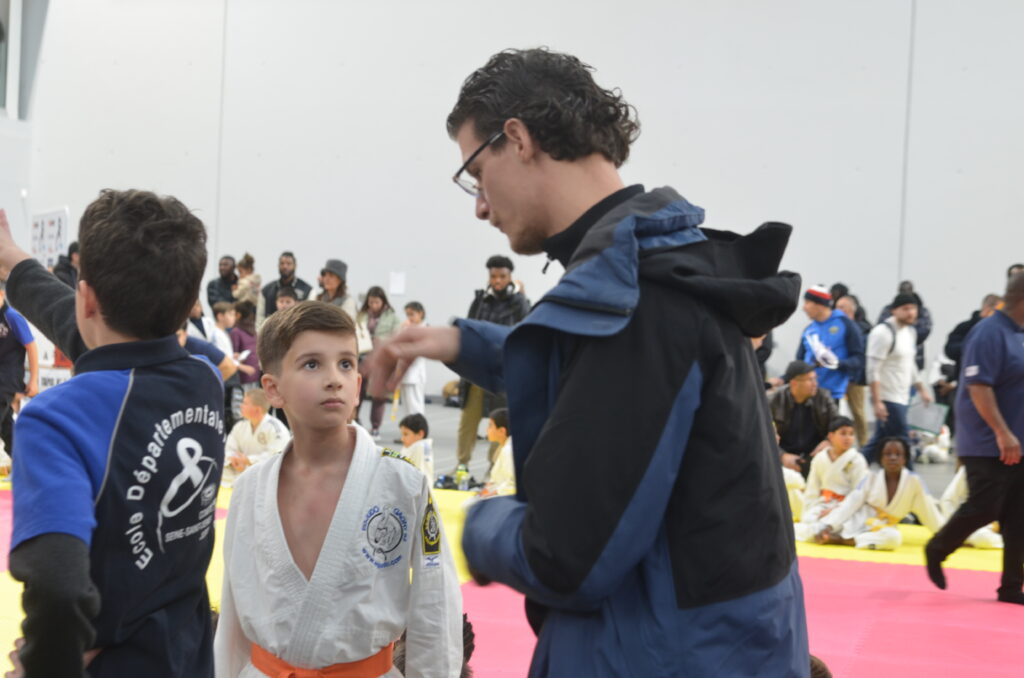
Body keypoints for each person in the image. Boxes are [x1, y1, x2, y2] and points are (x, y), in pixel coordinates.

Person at [367, 47, 807, 675]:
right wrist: (461, 343)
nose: (480, 205)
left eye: (475, 173)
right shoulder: (663, 267)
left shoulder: (638, 301)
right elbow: (592, 370)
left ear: (518, 139)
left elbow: (564, 557)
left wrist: (476, 524)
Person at [0, 191, 223, 676]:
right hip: (188, 657)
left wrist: (45, 667)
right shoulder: (205, 381)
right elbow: (101, 339)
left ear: (87, 297)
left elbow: (58, 588)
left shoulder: (56, 418)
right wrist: (14, 261)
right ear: (188, 303)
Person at [213, 301, 462, 676]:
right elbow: (234, 613)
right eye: (312, 364)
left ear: (358, 385)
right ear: (273, 389)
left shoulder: (402, 483)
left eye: (346, 364)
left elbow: (435, 607)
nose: (334, 378)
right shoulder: (250, 488)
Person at [925, 273, 1024, 604]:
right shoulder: (988, 332)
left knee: (1018, 515)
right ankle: (938, 547)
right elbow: (978, 387)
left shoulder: (1018, 334)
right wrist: (1002, 432)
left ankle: (1011, 587)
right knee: (986, 507)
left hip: (1017, 440)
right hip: (987, 442)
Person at [454, 255, 530, 470]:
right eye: (494, 276)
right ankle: (462, 465)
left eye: (502, 276)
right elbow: (467, 331)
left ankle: (495, 468)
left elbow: (525, 333)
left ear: (510, 277)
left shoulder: (519, 303)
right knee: (468, 421)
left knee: (500, 423)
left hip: (502, 373)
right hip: (476, 371)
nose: (497, 281)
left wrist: (522, 298)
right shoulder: (480, 301)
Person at [815, 437, 943, 549]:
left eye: (898, 454)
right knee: (813, 530)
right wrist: (829, 525)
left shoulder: (913, 482)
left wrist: (946, 534)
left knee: (894, 538)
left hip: (883, 529)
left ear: (905, 459)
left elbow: (929, 510)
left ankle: (842, 541)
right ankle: (837, 535)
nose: (893, 458)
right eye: (888, 454)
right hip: (858, 521)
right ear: (880, 459)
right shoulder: (871, 478)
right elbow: (851, 503)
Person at [862, 293, 932, 464]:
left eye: (913, 308)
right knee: (903, 441)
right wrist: (877, 401)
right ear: (894, 310)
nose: (911, 313)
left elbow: (910, 364)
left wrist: (922, 389)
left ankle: (851, 470)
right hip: (888, 397)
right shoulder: (882, 333)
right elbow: (873, 369)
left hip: (903, 395)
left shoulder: (910, 332)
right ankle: (912, 478)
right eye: (905, 309)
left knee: (879, 441)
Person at [793, 417, 868, 542]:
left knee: (849, 524)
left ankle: (832, 535)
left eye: (851, 434)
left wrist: (835, 510)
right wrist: (808, 511)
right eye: (843, 433)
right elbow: (812, 489)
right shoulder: (820, 458)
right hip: (823, 504)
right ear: (831, 436)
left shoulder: (857, 460)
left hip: (847, 509)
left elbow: (858, 494)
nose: (848, 438)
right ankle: (827, 534)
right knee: (809, 519)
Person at [770, 360, 839, 478]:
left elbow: (838, 424)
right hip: (783, 457)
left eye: (815, 379)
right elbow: (763, 435)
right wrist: (781, 455)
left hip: (815, 455)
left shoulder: (823, 397)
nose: (815, 384)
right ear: (794, 383)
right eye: (810, 380)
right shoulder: (774, 400)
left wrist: (828, 440)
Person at [796, 285, 864, 404]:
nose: (803, 308)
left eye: (807, 303)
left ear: (820, 304)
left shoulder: (846, 325)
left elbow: (859, 360)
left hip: (832, 395)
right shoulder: (809, 330)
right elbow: (799, 360)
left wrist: (837, 363)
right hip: (806, 395)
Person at [0, 281, 39, 455]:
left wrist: (33, 380)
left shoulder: (12, 317)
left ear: (1, 295)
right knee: (7, 427)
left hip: (8, 379)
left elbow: (31, 347)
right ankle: (24, 461)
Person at [221, 388, 290, 487]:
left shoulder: (276, 428)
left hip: (265, 475)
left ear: (257, 409)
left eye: (245, 403)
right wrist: (234, 460)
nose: (241, 406)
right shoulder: (240, 426)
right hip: (241, 471)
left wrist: (248, 460)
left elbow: (276, 457)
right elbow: (228, 448)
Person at [356, 286, 400, 439]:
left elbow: (397, 337)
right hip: (362, 356)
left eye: (376, 302)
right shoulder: (361, 315)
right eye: (370, 302)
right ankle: (355, 420)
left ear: (383, 302)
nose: (373, 305)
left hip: (381, 359)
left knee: (378, 394)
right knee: (357, 391)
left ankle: (375, 427)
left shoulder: (392, 317)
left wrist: (381, 341)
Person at [938, 462, 1003, 549]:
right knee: (982, 537)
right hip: (964, 524)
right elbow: (947, 500)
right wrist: (954, 528)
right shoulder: (975, 464)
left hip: (996, 527)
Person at [835, 294, 872, 447]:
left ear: (851, 310)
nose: (837, 310)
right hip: (837, 375)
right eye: (836, 307)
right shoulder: (835, 327)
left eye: (841, 307)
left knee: (858, 412)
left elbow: (861, 356)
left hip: (855, 378)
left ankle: (864, 445)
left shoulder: (862, 329)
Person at [876, 280, 932, 371]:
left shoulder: (921, 311)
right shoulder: (889, 309)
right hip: (892, 357)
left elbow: (924, 330)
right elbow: (882, 329)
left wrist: (904, 331)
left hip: (915, 355)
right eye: (903, 291)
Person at [230, 300, 260, 418]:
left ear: (238, 315)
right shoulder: (253, 329)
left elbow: (234, 353)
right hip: (255, 370)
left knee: (241, 403)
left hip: (243, 373)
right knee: (253, 400)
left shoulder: (236, 331)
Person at [261, 250, 312, 319]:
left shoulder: (307, 290)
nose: (285, 266)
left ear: (295, 266)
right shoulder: (267, 290)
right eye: (282, 263)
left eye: (288, 263)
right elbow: (260, 318)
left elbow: (310, 316)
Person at [400, 301, 428, 418]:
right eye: (407, 315)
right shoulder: (408, 329)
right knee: (407, 409)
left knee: (415, 407)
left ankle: (418, 427)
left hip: (415, 375)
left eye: (412, 314)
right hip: (405, 374)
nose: (409, 318)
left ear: (420, 313)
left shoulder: (424, 329)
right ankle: (410, 428)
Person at [480, 407, 515, 497]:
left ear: (501, 431)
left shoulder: (509, 450)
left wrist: (492, 493)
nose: (487, 430)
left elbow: (513, 484)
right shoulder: (505, 446)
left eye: (490, 426)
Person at [398, 412, 435, 483]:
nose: (402, 439)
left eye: (406, 434)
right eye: (402, 435)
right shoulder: (413, 447)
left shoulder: (420, 447)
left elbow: (419, 475)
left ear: (420, 434)